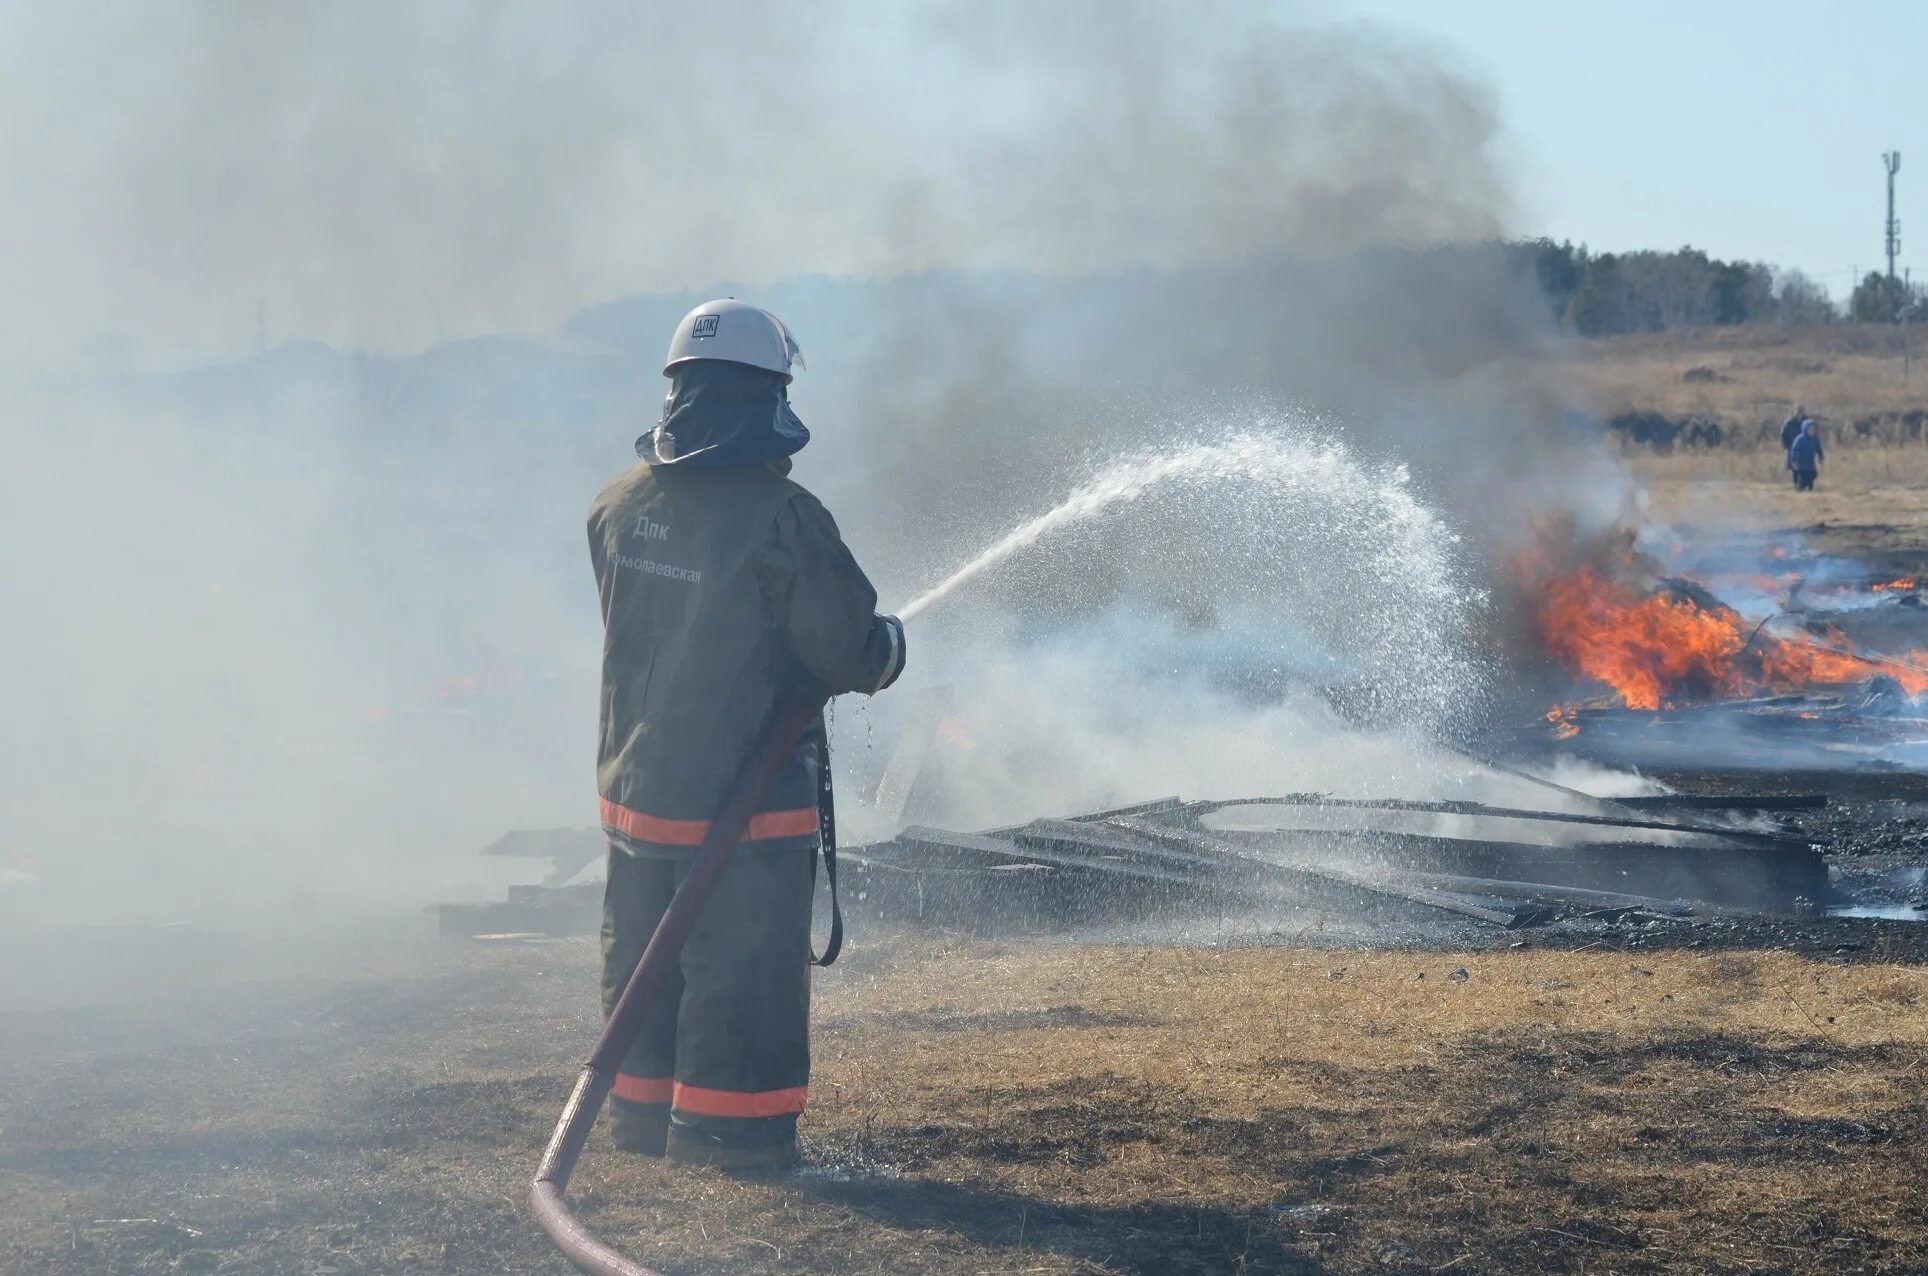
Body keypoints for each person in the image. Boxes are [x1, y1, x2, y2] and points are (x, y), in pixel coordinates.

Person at [587, 299, 907, 1172]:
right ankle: (734, 1140)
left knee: (644, 965)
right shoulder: (782, 518)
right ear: (766, 397)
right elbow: (846, 648)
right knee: (743, 977)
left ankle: (641, 1129)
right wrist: (889, 651)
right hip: (744, 808)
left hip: (637, 796)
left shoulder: (616, 506)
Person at [1788, 419, 1824, 491]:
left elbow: (1819, 449)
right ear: (1805, 429)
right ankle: (1800, 489)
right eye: (1810, 429)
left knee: (1813, 474)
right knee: (1802, 476)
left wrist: (1821, 457)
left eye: (1813, 429)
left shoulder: (1815, 439)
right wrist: (1794, 460)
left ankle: (1809, 488)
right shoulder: (1800, 439)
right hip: (1801, 462)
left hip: (1810, 462)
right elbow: (1794, 450)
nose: (1812, 431)